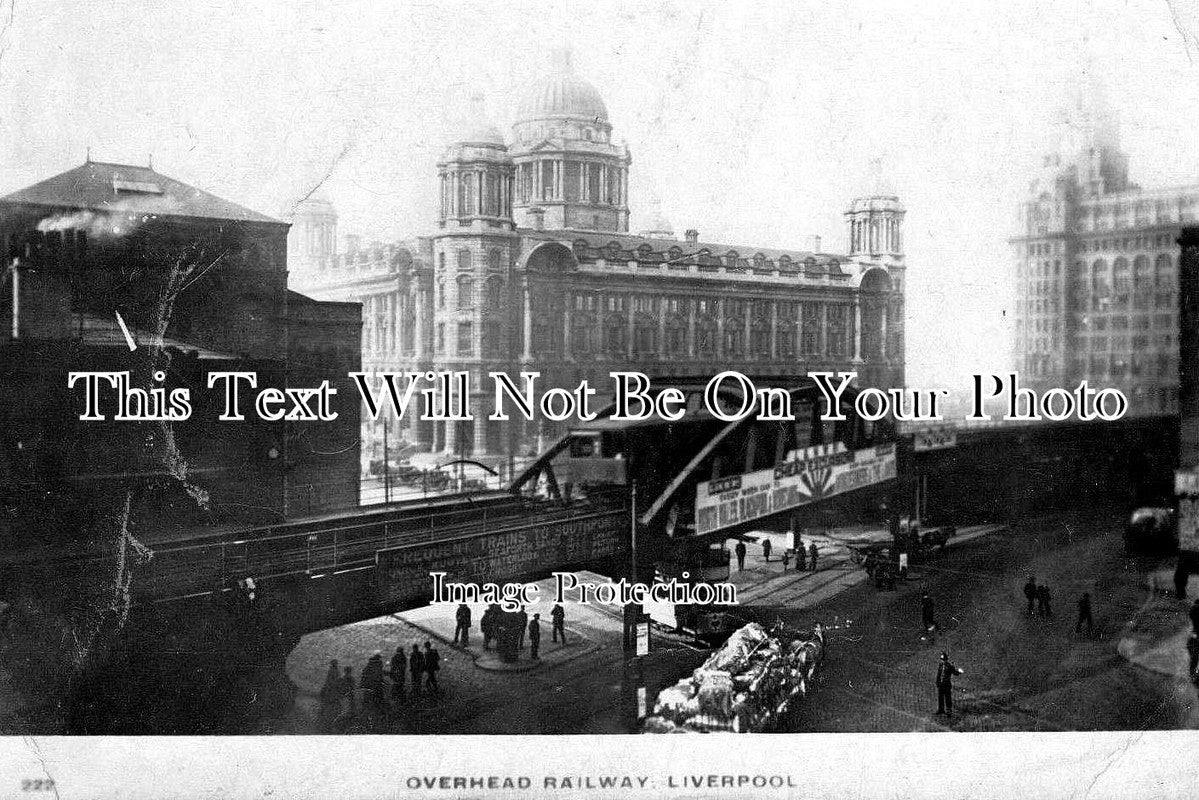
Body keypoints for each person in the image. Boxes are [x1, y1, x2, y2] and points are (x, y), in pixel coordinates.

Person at [935, 652, 963, 716]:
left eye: (943, 660)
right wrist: (937, 682)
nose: (942, 661)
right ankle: (941, 710)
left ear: (946, 660)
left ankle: (949, 711)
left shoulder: (949, 666)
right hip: (941, 684)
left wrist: (959, 672)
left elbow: (955, 672)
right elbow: (938, 675)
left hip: (947, 684)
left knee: (948, 698)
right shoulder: (940, 665)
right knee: (940, 698)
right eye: (942, 660)